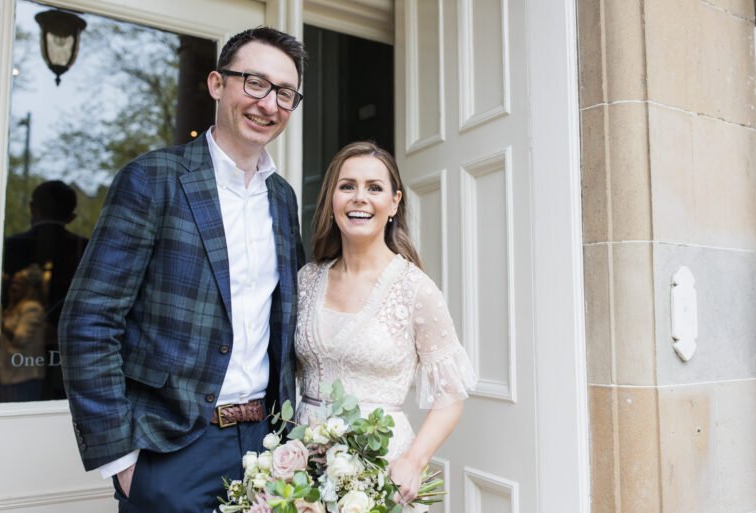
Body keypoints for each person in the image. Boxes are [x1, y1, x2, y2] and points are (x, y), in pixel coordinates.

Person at [58, 27, 306, 513]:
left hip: (266, 449)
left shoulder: (283, 198)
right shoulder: (152, 179)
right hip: (171, 452)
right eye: (254, 83)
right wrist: (123, 461)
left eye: (284, 93)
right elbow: (88, 321)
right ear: (217, 84)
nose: (269, 104)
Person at [295, 141, 476, 511]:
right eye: (347, 186)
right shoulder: (306, 280)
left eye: (374, 188)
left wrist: (414, 461)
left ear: (394, 203)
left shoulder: (415, 288)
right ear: (332, 198)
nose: (359, 198)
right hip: (304, 472)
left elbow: (450, 393)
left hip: (379, 475)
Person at [2, 180, 88, 400]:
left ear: (32, 209)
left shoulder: (11, 246)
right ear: (71, 218)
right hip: (72, 343)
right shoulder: (85, 248)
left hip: (20, 352)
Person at [0, 264, 46, 402]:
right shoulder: (13, 308)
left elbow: (20, 338)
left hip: (24, 377)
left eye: (19, 284)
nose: (14, 287)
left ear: (29, 287)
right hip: (8, 376)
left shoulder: (32, 308)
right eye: (13, 283)